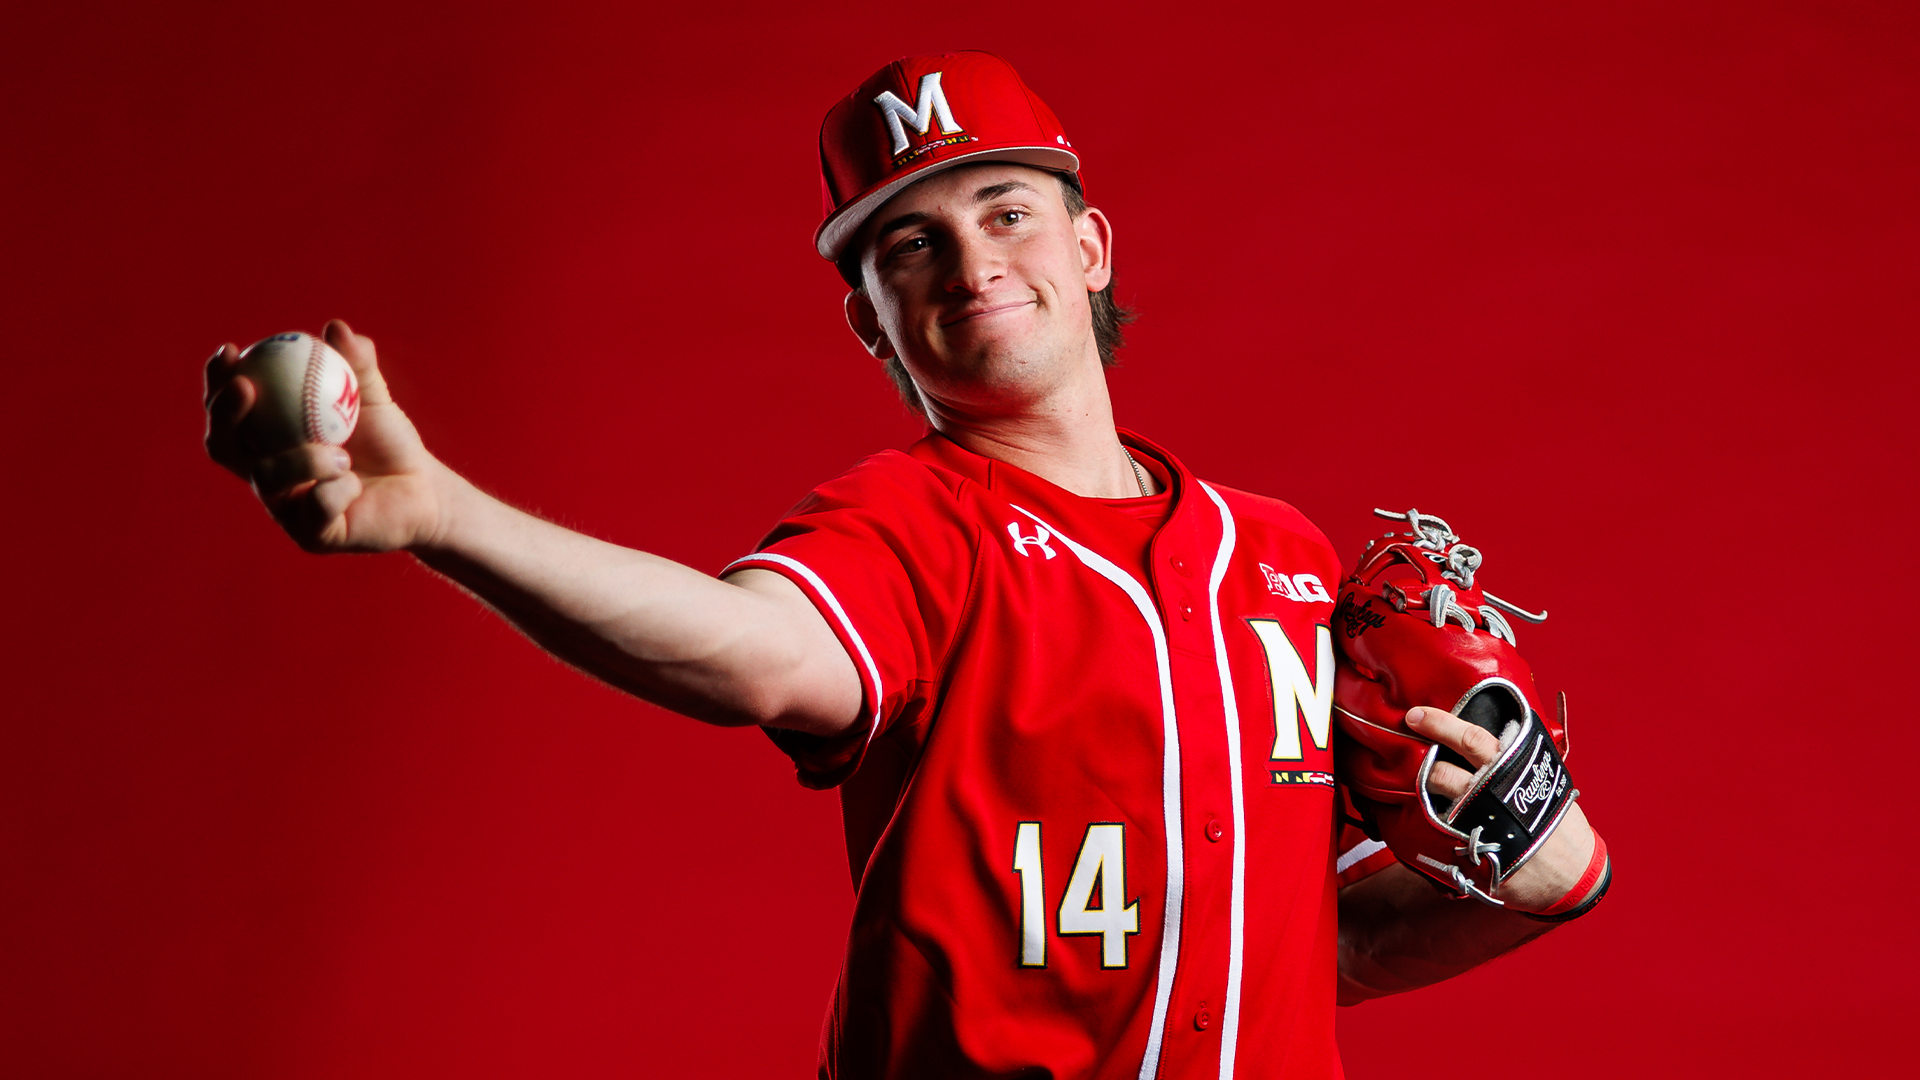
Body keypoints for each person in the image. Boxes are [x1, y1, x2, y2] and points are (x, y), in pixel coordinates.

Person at [204, 51, 1605, 1080]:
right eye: (909, 245)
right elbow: (757, 652)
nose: (968, 261)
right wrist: (447, 514)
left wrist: (1547, 877)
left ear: (1091, 247)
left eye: (1004, 209)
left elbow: (1313, 954)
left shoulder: (1282, 557)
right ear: (873, 329)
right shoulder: (908, 531)